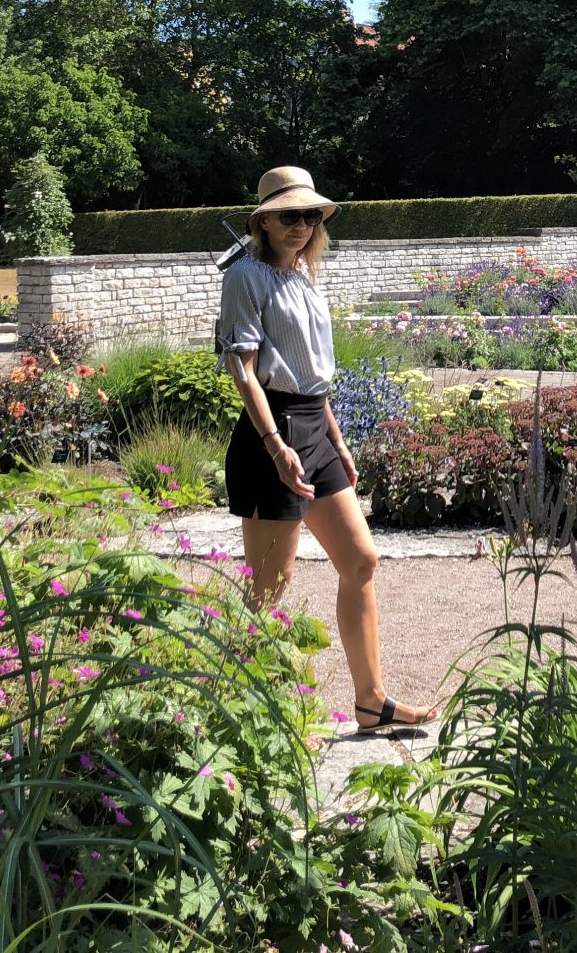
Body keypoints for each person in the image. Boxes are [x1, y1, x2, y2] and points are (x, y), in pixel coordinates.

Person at [219, 165, 435, 733]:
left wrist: (336, 440)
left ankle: (371, 701)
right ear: (263, 220)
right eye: (289, 215)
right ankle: (239, 714)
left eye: (310, 215)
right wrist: (274, 446)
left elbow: (315, 376)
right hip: (274, 432)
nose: (301, 225)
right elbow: (243, 371)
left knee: (361, 560)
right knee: (268, 590)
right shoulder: (245, 276)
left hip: (314, 428)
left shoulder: (306, 276)